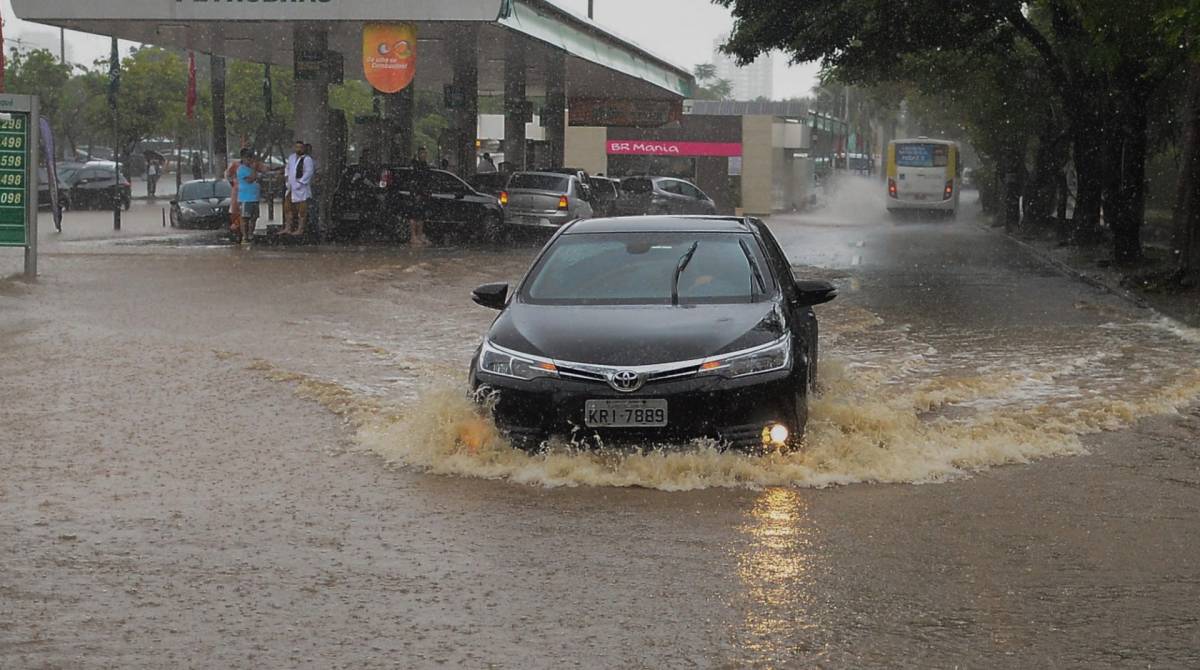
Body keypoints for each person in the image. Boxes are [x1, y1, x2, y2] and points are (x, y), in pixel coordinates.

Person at [230, 148, 273, 242]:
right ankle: (245, 237)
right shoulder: (241, 170)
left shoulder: (254, 169)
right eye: (248, 158)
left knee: (254, 217)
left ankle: (250, 234)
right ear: (243, 158)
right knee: (245, 218)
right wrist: (254, 170)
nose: (250, 161)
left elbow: (265, 172)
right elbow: (251, 179)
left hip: (255, 198)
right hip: (246, 198)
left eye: (251, 158)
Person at [284, 140, 315, 237]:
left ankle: (300, 229)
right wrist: (286, 178)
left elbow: (309, 172)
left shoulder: (307, 159)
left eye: (300, 148)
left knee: (302, 211)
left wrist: (300, 182)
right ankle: (288, 228)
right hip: (291, 187)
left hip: (301, 188)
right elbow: (287, 168)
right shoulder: (291, 157)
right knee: (288, 208)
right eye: (297, 147)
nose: (298, 149)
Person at [408, 146, 433, 247]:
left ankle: (420, 235)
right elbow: (413, 180)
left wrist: (427, 192)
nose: (424, 155)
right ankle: (413, 236)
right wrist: (416, 193)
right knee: (414, 215)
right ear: (418, 154)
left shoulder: (425, 165)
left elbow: (427, 180)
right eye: (422, 153)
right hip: (416, 194)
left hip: (423, 194)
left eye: (425, 153)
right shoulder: (415, 165)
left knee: (421, 216)